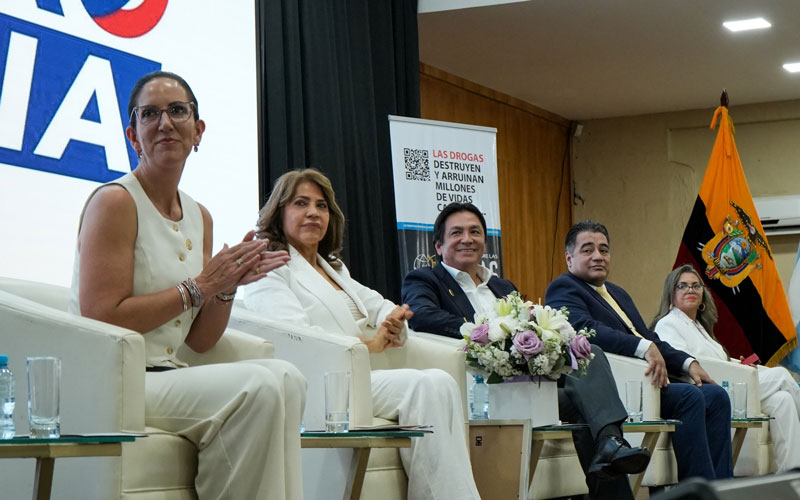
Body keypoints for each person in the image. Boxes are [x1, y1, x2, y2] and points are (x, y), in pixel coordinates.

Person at [70, 71, 306, 500]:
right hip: (118, 379)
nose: (165, 123)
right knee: (258, 386)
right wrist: (198, 287)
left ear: (197, 131)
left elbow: (199, 341)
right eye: (150, 114)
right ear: (132, 134)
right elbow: (100, 317)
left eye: (178, 111)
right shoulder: (114, 201)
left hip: (170, 373)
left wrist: (227, 287)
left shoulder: (201, 216)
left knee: (288, 377)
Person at [243, 169, 481, 500]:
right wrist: (368, 344)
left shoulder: (333, 269)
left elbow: (379, 304)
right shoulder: (268, 266)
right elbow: (294, 339)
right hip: (318, 383)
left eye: (322, 205)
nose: (314, 212)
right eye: (301, 203)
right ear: (278, 213)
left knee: (439, 381)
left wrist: (393, 321)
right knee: (427, 384)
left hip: (357, 378)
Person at [401, 203, 650, 500]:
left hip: (529, 389)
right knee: (586, 414)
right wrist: (490, 331)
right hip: (480, 390)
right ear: (439, 246)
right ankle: (611, 444)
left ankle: (610, 442)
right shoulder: (425, 280)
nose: (467, 238)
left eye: (475, 232)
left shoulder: (502, 286)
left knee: (590, 353)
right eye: (457, 233)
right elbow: (424, 316)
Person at [545, 220, 733, 481]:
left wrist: (688, 363)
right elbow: (585, 330)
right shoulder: (564, 287)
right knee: (690, 397)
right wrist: (644, 347)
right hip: (616, 387)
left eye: (604, 250)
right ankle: (697, 491)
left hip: (649, 380)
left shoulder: (618, 293)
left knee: (716, 396)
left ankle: (722, 488)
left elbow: (648, 336)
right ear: (569, 258)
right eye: (588, 250)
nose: (598, 256)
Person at [651, 264, 800, 472]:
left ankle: (792, 475)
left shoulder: (699, 326)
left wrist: (739, 364)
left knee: (781, 400)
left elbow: (716, 360)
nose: (690, 290)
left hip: (733, 381)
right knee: (782, 376)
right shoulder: (668, 324)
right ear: (671, 292)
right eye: (682, 286)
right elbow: (682, 364)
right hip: (712, 391)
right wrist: (734, 369)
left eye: (696, 286)